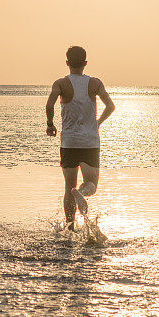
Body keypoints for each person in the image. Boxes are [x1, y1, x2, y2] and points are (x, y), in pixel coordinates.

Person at [45, 46, 115, 230]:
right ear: (85, 63)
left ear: (67, 63)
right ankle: (81, 192)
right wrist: (98, 122)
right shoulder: (94, 83)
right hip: (89, 141)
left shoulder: (60, 83)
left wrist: (50, 124)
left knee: (68, 186)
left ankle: (69, 227)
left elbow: (50, 104)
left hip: (69, 142)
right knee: (91, 184)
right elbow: (110, 106)